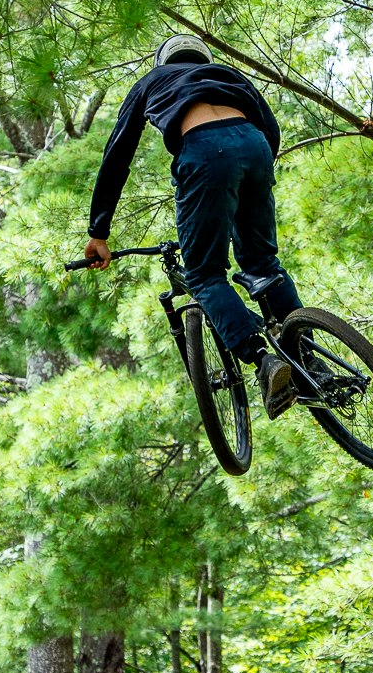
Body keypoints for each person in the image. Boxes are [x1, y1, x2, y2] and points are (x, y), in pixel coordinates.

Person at [82, 33, 303, 418]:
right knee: (263, 263)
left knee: (204, 275)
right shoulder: (227, 74)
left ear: (163, 62)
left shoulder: (151, 81)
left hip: (205, 151)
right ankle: (309, 359)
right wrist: (249, 176)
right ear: (203, 58)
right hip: (255, 146)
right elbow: (270, 129)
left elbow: (117, 155)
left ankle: (263, 360)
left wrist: (98, 232)